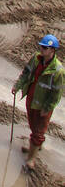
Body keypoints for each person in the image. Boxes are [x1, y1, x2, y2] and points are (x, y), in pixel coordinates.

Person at [12, 34, 64, 169]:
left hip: (43, 104)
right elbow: (25, 73)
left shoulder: (58, 71)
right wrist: (17, 86)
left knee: (38, 131)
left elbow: (57, 93)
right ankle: (33, 147)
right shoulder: (35, 59)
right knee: (32, 125)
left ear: (52, 50)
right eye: (41, 46)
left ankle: (31, 158)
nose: (42, 49)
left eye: (45, 48)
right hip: (31, 98)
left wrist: (48, 107)